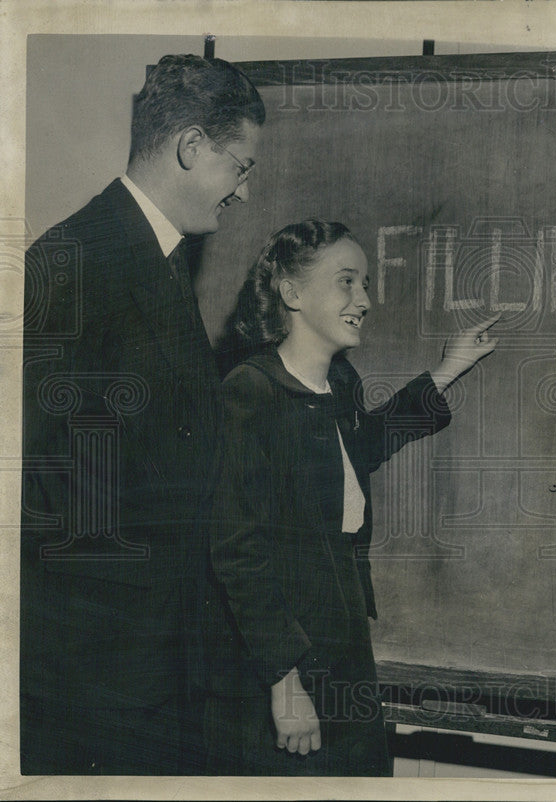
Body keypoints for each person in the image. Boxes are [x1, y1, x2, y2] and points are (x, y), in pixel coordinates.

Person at [21, 54, 265, 774]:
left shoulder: (157, 259)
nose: (245, 194)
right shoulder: (71, 260)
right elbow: (33, 485)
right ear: (191, 147)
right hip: (99, 683)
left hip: (160, 666)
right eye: (241, 168)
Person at [203, 219, 499, 775]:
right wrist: (284, 683)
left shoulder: (340, 384)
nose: (363, 299)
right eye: (346, 282)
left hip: (342, 637)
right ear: (291, 293)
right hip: (284, 657)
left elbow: (359, 451)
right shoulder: (250, 391)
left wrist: (448, 369)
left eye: (364, 284)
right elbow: (237, 552)